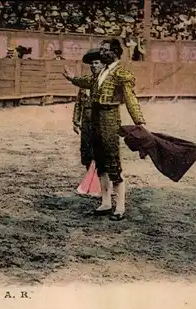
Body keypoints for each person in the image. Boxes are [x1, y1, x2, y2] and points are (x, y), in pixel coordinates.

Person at [62, 38, 146, 221]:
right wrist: (72, 79)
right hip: (95, 118)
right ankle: (106, 202)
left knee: (112, 160)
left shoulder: (121, 73)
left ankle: (120, 207)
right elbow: (86, 82)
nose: (101, 52)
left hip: (109, 117)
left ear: (114, 52)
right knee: (99, 160)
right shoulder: (102, 72)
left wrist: (139, 121)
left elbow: (130, 98)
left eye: (104, 50)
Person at [73, 48, 105, 198]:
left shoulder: (105, 83)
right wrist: (75, 120)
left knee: (98, 152)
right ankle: (89, 182)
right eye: (92, 64)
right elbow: (78, 103)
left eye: (96, 63)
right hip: (86, 121)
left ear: (103, 65)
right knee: (86, 152)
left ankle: (99, 185)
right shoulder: (85, 82)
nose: (93, 66)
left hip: (99, 121)